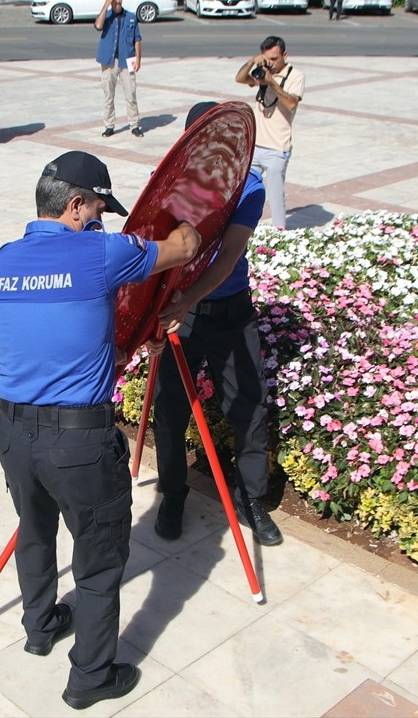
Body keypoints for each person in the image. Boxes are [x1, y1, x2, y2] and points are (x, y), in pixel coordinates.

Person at [0, 150, 200, 711]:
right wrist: (193, 208)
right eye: (99, 209)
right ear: (76, 205)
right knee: (100, 558)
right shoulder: (101, 252)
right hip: (78, 439)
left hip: (12, 431)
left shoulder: (0, 262)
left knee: (35, 532)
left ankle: (40, 626)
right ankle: (91, 676)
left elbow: (47, 327)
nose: (102, 219)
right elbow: (183, 247)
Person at [151, 100, 282, 547]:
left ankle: (251, 500)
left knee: (249, 406)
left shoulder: (249, 188)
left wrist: (188, 299)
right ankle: (173, 495)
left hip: (229, 311)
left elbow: (228, 257)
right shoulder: (169, 184)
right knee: (169, 410)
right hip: (179, 315)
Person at [235, 36, 304, 230]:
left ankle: (279, 232)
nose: (271, 63)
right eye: (267, 59)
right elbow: (240, 79)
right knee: (243, 190)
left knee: (275, 195)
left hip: (277, 148)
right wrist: (252, 62)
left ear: (285, 55)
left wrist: (271, 82)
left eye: (274, 59)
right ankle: (239, 228)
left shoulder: (295, 76)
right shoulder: (263, 72)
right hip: (255, 145)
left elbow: (291, 104)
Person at [95, 0, 142, 138]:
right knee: (108, 95)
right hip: (108, 61)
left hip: (127, 60)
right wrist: (106, 4)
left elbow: (137, 39)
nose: (118, 1)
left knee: (131, 94)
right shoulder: (106, 16)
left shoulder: (131, 17)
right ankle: (109, 125)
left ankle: (134, 124)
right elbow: (98, 25)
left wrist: (138, 59)